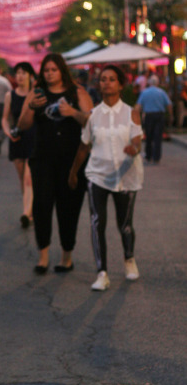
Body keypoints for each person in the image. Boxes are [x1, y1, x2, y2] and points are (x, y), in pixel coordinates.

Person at [69, 65, 143, 291]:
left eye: (112, 79)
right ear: (98, 84)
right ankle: (102, 273)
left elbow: (138, 139)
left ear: (120, 84)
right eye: (103, 79)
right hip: (97, 175)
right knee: (96, 222)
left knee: (124, 224)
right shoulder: (94, 115)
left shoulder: (131, 112)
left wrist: (134, 147)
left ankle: (129, 259)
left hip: (126, 176)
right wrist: (73, 172)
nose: (106, 83)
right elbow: (84, 146)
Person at [19, 53, 93, 274]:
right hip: (42, 159)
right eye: (46, 70)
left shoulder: (76, 92)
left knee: (68, 208)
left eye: (54, 70)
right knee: (42, 207)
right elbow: (22, 125)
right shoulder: (37, 92)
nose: (49, 74)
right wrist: (32, 106)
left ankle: (66, 257)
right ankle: (43, 257)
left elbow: (91, 121)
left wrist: (73, 112)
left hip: (71, 162)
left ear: (62, 71)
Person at [1, 62, 36, 228]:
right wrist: (8, 133)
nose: (20, 76)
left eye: (23, 73)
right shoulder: (10, 95)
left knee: (29, 178)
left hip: (33, 139)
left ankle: (25, 213)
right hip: (17, 139)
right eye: (18, 73)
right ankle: (29, 209)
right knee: (22, 179)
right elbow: (4, 119)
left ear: (30, 75)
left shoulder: (35, 94)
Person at [135, 77, 172, 164]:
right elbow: (169, 104)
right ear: (157, 83)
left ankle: (148, 155)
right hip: (159, 115)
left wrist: (136, 117)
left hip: (149, 116)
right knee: (158, 137)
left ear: (149, 83)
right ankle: (156, 157)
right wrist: (170, 115)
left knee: (149, 136)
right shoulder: (161, 92)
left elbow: (138, 106)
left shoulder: (145, 92)